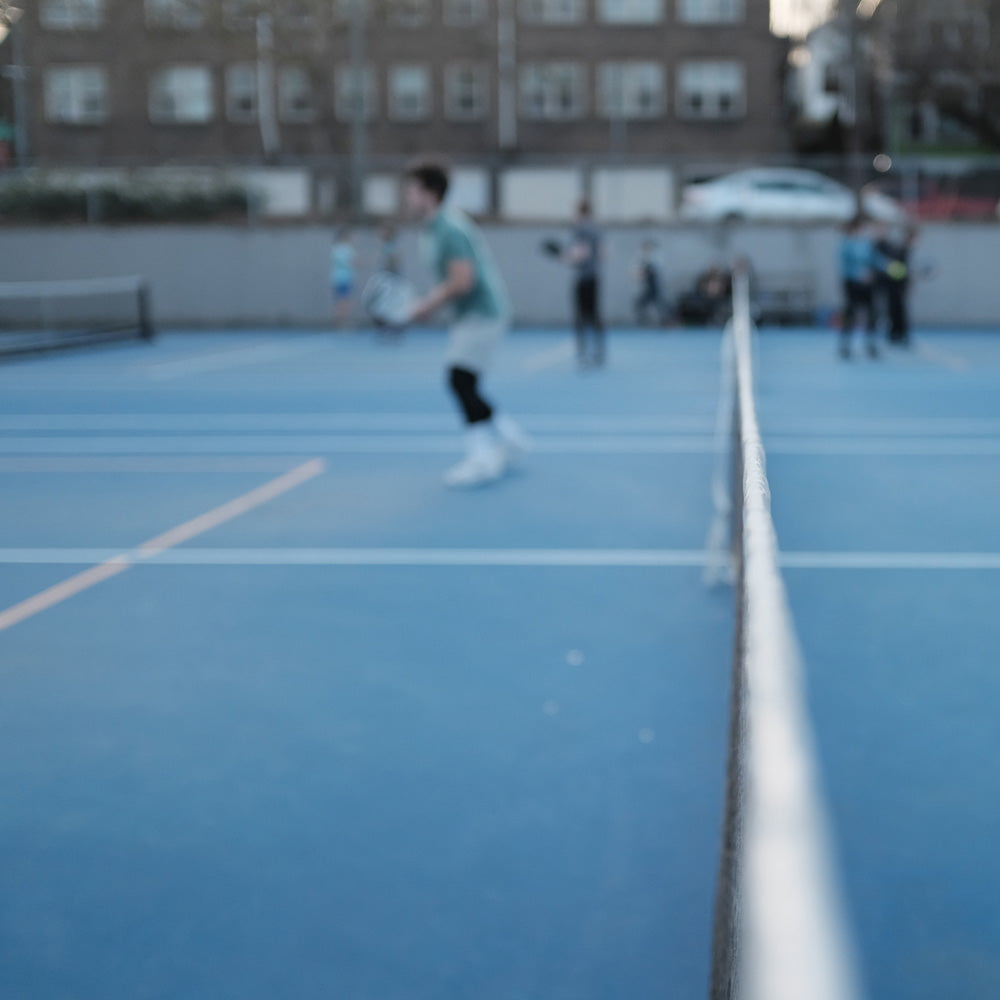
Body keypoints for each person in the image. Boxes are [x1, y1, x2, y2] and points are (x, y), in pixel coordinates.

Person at [403, 160, 528, 489]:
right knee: (466, 382)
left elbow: (463, 280)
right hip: (469, 315)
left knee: (459, 380)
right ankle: (508, 436)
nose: (407, 197)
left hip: (483, 312)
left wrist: (427, 305)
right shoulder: (433, 229)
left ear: (429, 193)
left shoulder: (450, 228)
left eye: (412, 190)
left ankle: (482, 458)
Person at [568, 200, 605, 368]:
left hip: (583, 278)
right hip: (595, 276)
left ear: (580, 212)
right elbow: (603, 254)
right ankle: (598, 353)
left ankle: (583, 353)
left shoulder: (581, 229)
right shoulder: (596, 229)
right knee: (595, 314)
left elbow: (580, 253)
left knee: (581, 316)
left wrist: (566, 257)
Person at [838, 216, 880, 360]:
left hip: (867, 285)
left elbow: (876, 260)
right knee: (850, 314)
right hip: (852, 284)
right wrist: (859, 275)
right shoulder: (846, 244)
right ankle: (845, 345)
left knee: (872, 314)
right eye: (860, 227)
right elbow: (844, 267)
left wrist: (890, 267)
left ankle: (871, 344)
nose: (863, 230)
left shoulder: (866, 244)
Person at [874, 223, 917, 346]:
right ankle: (894, 334)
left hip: (899, 284)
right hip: (893, 285)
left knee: (900, 310)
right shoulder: (897, 249)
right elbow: (894, 267)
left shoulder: (902, 249)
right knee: (893, 310)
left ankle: (900, 334)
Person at [634, 240, 671, 326]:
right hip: (649, 289)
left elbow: (646, 273)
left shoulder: (654, 261)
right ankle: (646, 321)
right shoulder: (645, 261)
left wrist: (640, 273)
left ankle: (668, 322)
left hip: (655, 289)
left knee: (661, 306)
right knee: (641, 304)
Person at [330, 228, 357, 328]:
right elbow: (352, 262)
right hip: (345, 279)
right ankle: (343, 322)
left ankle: (339, 321)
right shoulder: (347, 249)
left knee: (339, 301)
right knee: (345, 301)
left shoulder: (335, 249)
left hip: (336, 279)